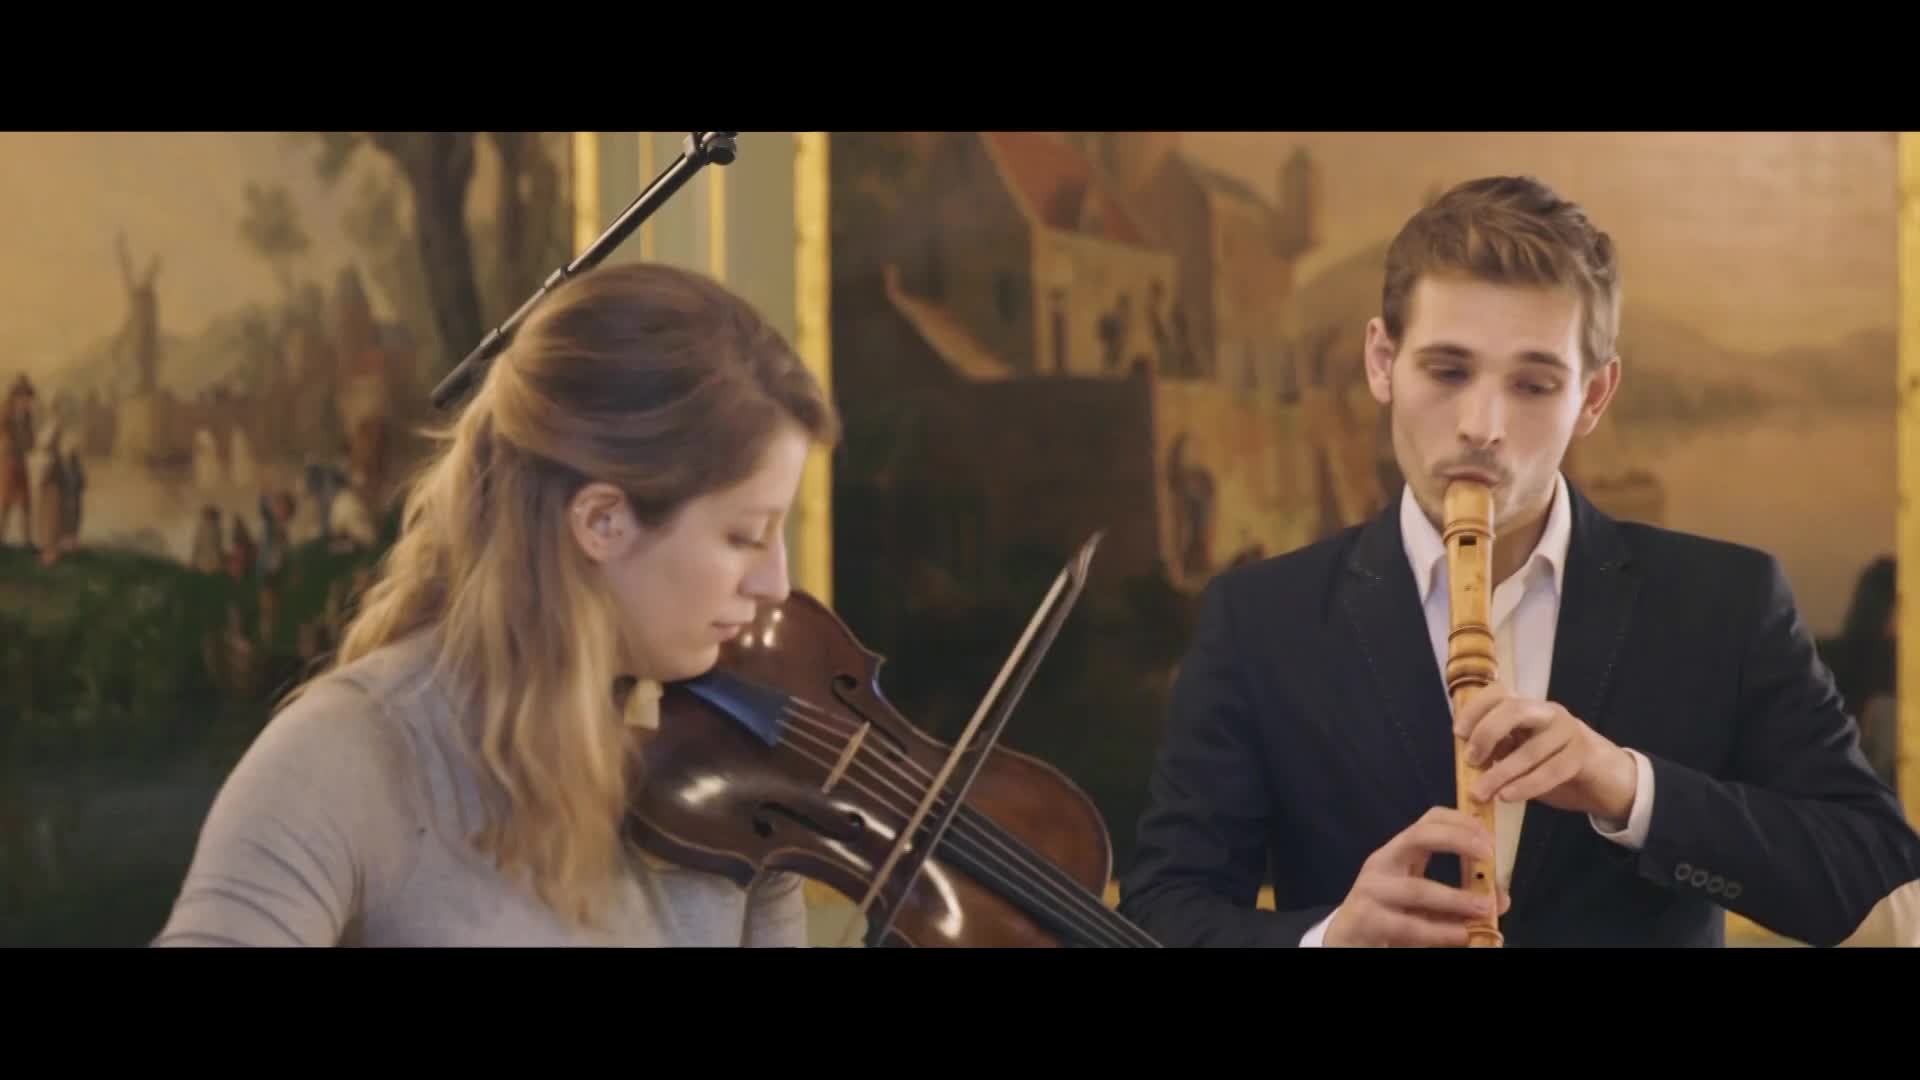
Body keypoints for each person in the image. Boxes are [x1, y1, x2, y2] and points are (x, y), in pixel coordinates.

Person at [1117, 175, 1920, 948]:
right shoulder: (1260, 619)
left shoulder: (1727, 601)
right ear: (1380, 361)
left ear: (1595, 397)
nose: (1482, 426)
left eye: (1534, 385)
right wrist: (1331, 940)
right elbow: (1160, 911)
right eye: (1448, 370)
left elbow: (1870, 864)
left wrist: (1629, 787)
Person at [153, 262, 840, 946]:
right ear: (602, 521)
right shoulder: (343, 756)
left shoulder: (739, 792)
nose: (776, 583)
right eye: (746, 535)